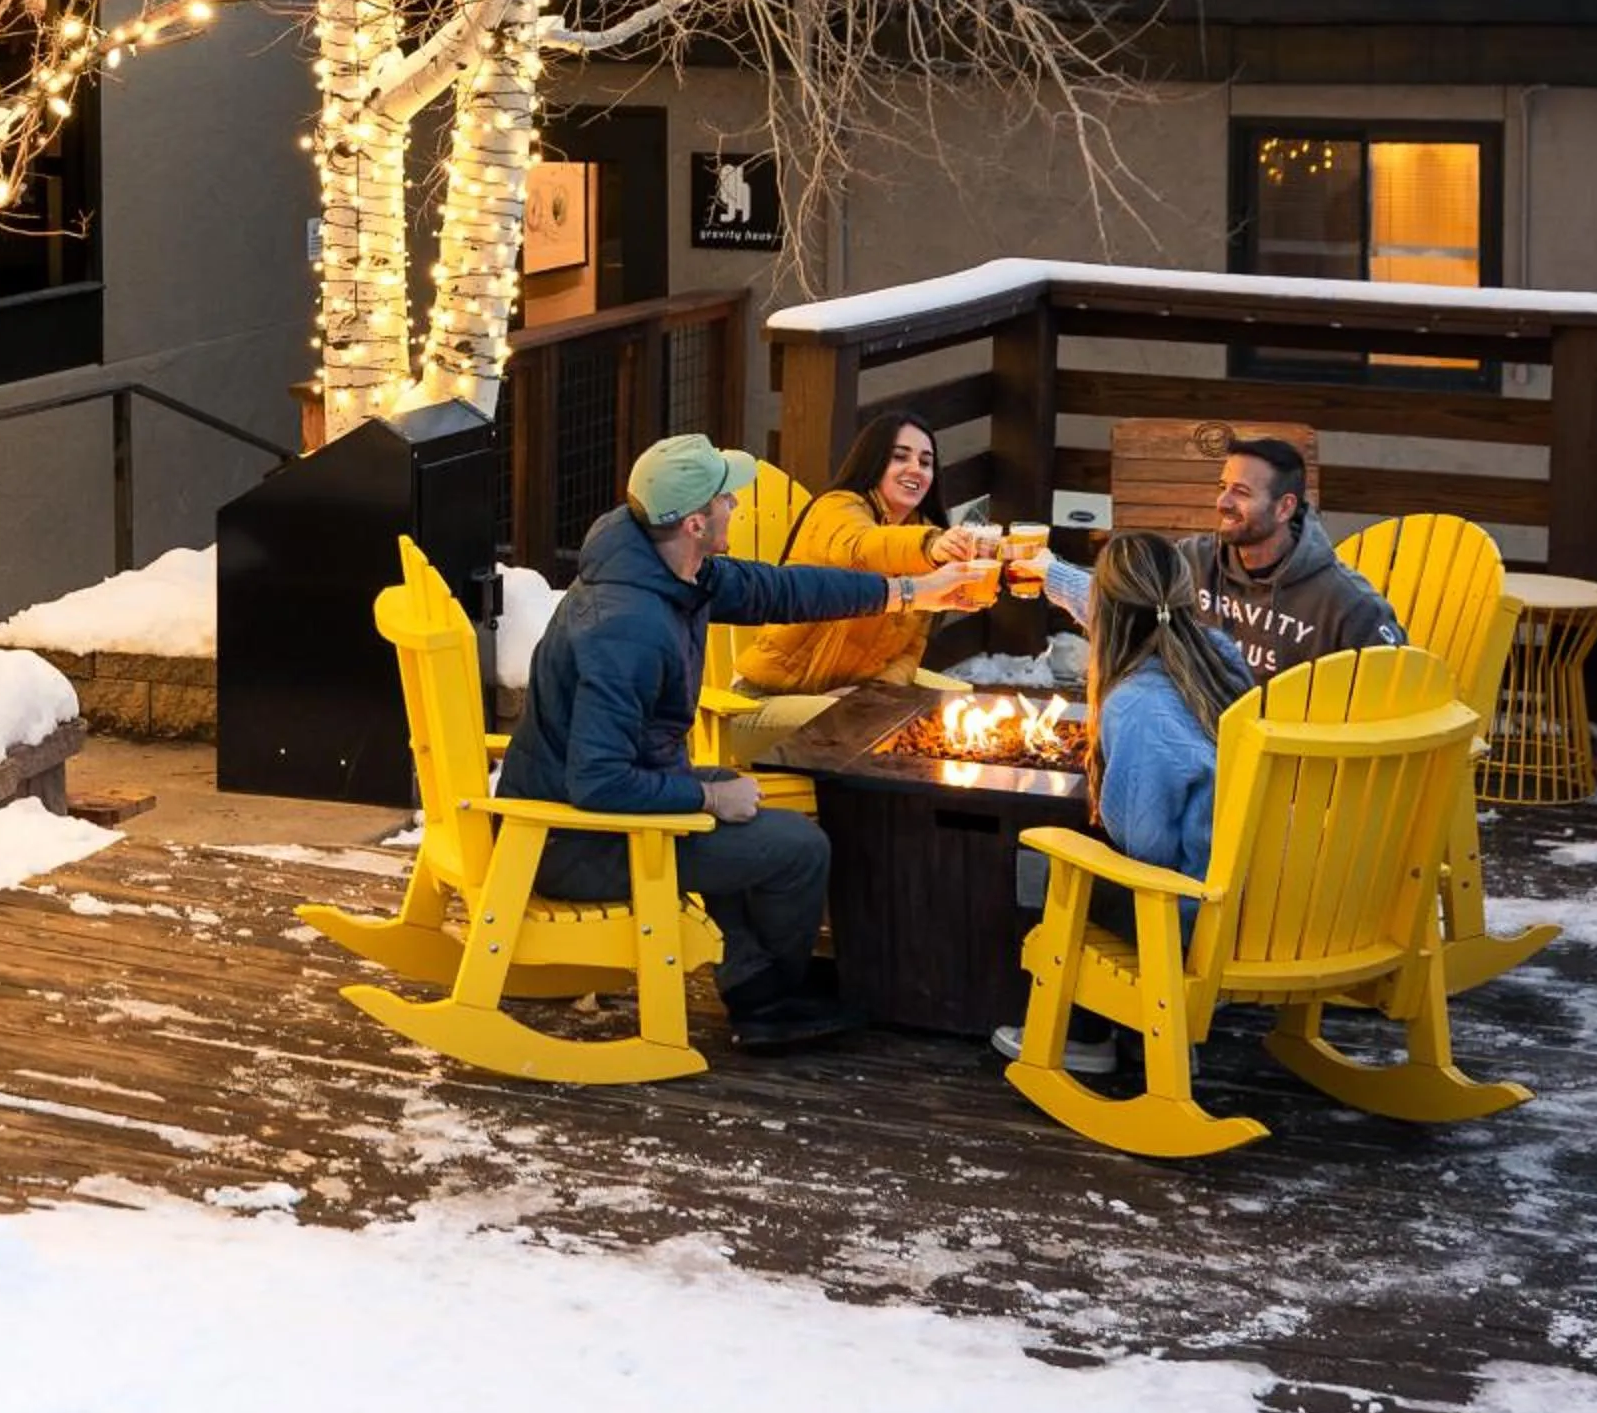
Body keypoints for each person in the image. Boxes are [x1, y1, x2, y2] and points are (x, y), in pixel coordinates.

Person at [498, 431, 911, 1053]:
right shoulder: (628, 628)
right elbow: (598, 782)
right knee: (799, 846)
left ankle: (752, 977)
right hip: (574, 841)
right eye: (726, 499)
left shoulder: (666, 568)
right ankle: (773, 996)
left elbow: (782, 589)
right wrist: (708, 801)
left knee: (740, 804)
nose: (737, 508)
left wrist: (904, 590)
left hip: (596, 817)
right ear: (695, 522)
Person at [992, 529, 1254, 1078]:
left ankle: (1084, 1037)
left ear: (1108, 614)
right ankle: (1142, 1031)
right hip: (1250, 897)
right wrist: (1048, 572)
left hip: (1186, 916)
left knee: (1056, 863)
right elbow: (1122, 608)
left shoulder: (1137, 704)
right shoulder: (1217, 657)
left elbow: (1144, 847)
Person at [718, 410, 1002, 749]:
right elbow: (862, 547)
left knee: (960, 715)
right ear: (873, 462)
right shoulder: (837, 509)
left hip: (845, 705)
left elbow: (910, 653)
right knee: (887, 730)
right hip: (759, 704)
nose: (916, 469)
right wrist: (931, 545)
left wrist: (867, 694)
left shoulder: (925, 539)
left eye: (926, 462)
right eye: (899, 457)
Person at [1184, 435, 1403, 680]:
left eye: (1241, 492)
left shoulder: (1347, 604)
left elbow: (1395, 684)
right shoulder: (1192, 562)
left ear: (1284, 508)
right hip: (1197, 713)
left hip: (1290, 717)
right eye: (1223, 488)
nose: (1222, 502)